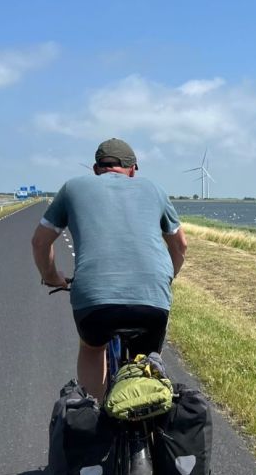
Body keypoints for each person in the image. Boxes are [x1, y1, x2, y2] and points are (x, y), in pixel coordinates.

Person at [31, 138, 187, 401]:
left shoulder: (72, 187)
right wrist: (166, 277)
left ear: (95, 169)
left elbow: (40, 242)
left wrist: (52, 277)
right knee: (146, 359)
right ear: (133, 170)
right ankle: (150, 430)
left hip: (94, 300)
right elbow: (180, 245)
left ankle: (95, 417)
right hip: (152, 299)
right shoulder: (155, 189)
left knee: (93, 348)